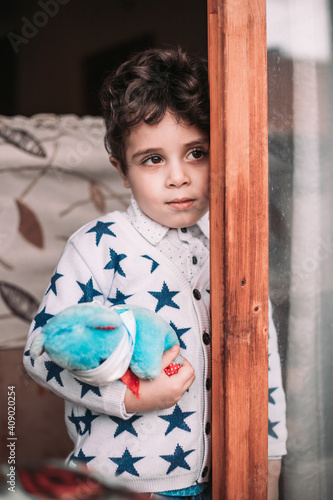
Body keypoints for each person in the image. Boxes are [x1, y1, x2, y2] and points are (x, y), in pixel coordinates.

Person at [23, 47, 287, 499]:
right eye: (152, 159)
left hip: (224, 480)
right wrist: (129, 399)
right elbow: (39, 354)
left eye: (196, 152)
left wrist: (270, 458)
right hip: (122, 484)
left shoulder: (233, 248)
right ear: (121, 170)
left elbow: (263, 358)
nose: (178, 177)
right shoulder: (97, 245)